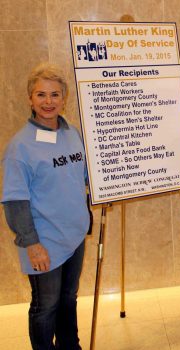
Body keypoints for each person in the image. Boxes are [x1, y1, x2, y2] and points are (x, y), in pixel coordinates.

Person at [2, 63, 90, 349]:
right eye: (41, 95)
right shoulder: (20, 146)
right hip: (44, 242)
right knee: (46, 307)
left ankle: (70, 345)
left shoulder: (72, 133)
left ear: (64, 98)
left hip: (74, 235)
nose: (48, 102)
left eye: (54, 95)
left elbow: (86, 176)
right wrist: (32, 243)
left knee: (68, 299)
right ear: (30, 99)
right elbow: (15, 201)